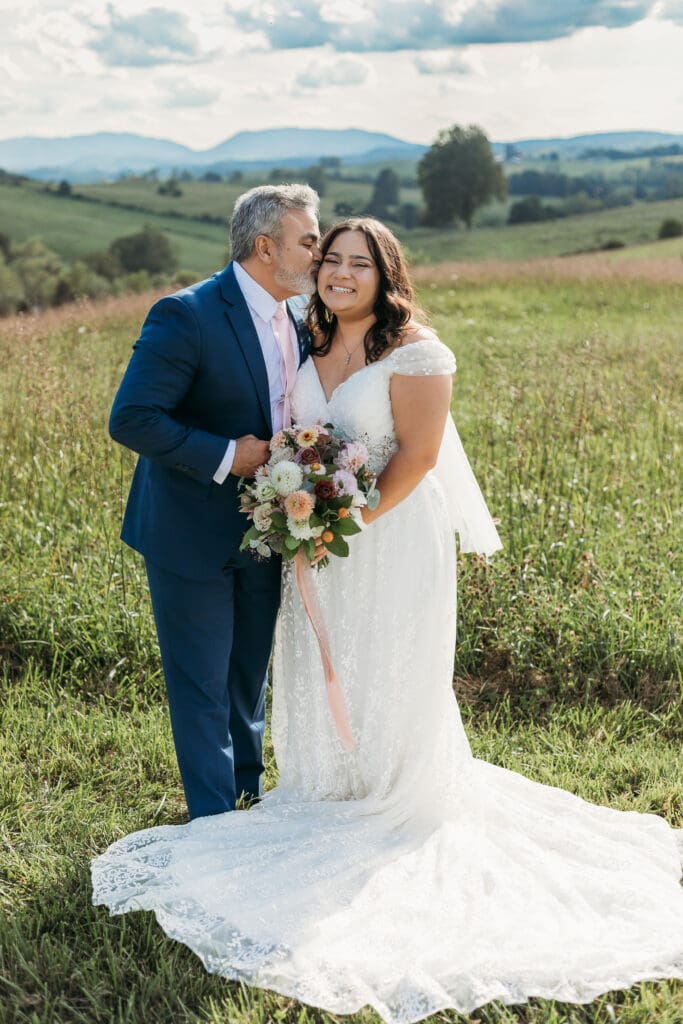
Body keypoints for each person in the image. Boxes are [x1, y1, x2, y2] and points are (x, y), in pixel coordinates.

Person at [93, 218, 683, 1023]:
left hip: (384, 536)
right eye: (327, 258)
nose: (336, 272)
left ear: (385, 273)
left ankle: (390, 790)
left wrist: (346, 525)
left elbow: (416, 458)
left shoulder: (417, 353)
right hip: (320, 541)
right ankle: (330, 784)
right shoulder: (309, 334)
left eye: (354, 263)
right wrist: (307, 516)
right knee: (323, 663)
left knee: (388, 662)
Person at [107, 184, 321, 820]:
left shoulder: (299, 318)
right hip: (188, 531)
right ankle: (213, 826)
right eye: (308, 241)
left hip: (266, 531)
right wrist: (232, 455)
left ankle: (248, 800)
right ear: (265, 247)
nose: (319, 252)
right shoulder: (187, 314)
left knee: (247, 679)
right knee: (201, 685)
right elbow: (133, 418)